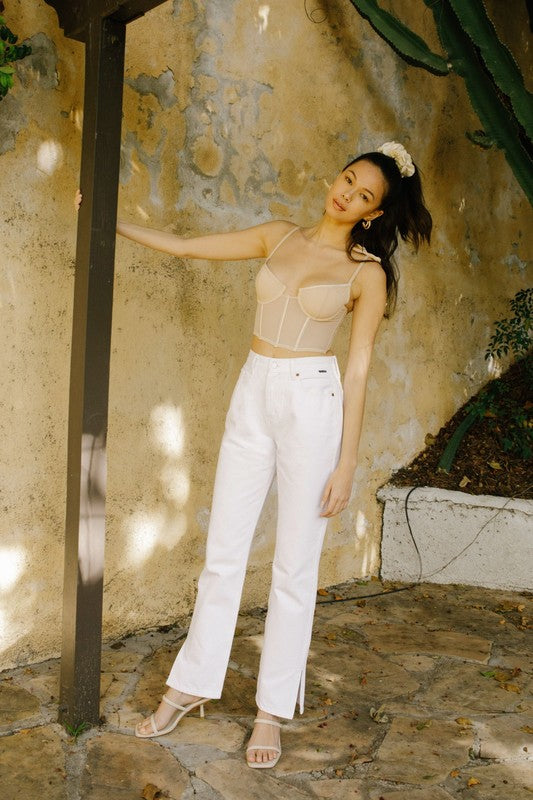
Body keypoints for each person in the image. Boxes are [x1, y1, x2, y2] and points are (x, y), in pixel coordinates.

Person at [76, 141, 432, 768]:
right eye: (347, 179)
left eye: (363, 195)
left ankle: (270, 711)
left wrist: (347, 462)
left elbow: (358, 370)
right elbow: (187, 247)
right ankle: (190, 686)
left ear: (373, 214)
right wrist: (108, 218)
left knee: (294, 564)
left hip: (311, 404)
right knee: (223, 551)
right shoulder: (278, 235)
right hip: (253, 391)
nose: (346, 194)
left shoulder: (366, 274)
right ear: (336, 177)